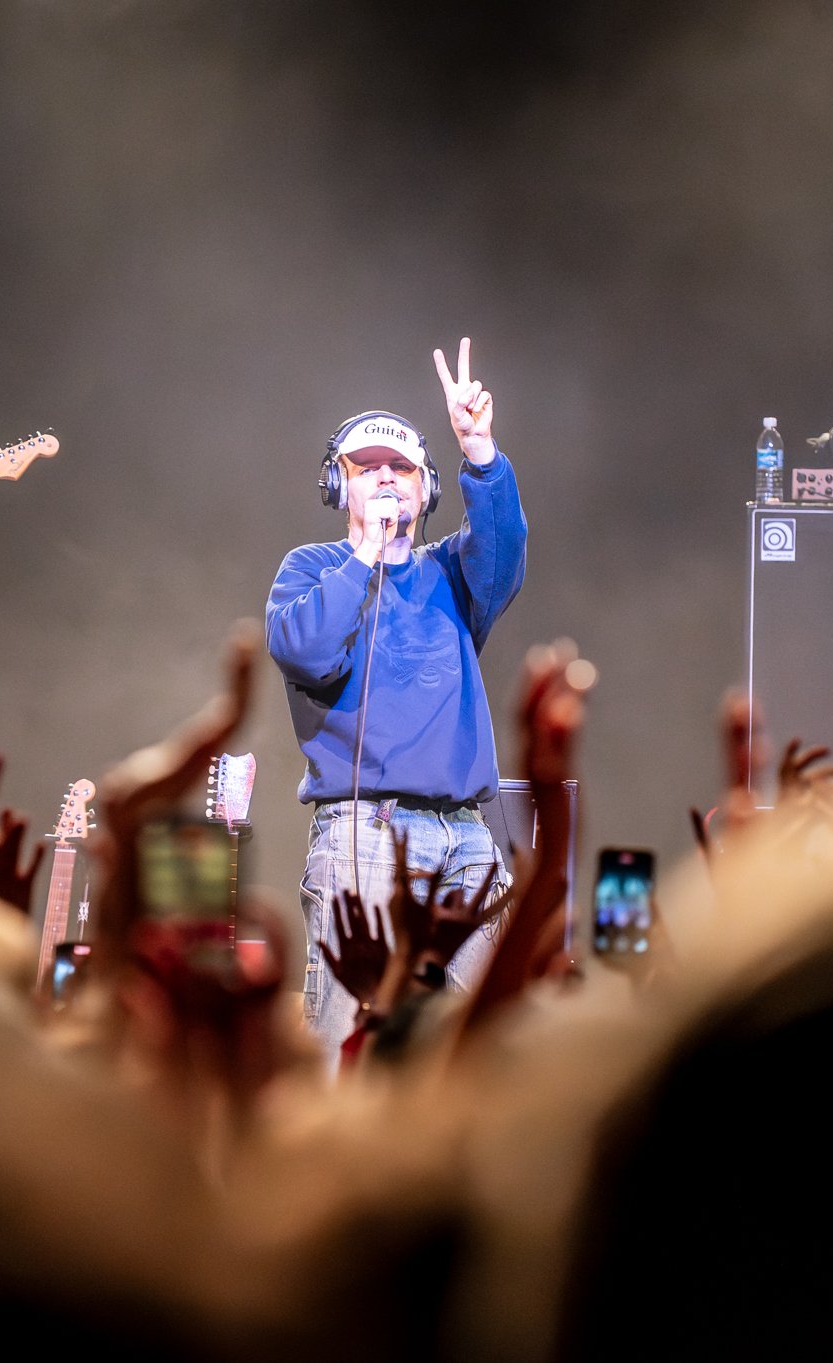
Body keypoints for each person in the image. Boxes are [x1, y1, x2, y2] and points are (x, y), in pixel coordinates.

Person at [266, 337, 528, 1067]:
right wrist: (365, 557)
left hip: (468, 835)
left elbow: (504, 556)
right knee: (345, 1041)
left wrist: (481, 453)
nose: (385, 481)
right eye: (367, 469)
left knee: (487, 1043)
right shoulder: (313, 569)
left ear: (426, 489)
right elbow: (307, 650)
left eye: (401, 469)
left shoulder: (451, 572)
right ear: (337, 486)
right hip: (366, 831)